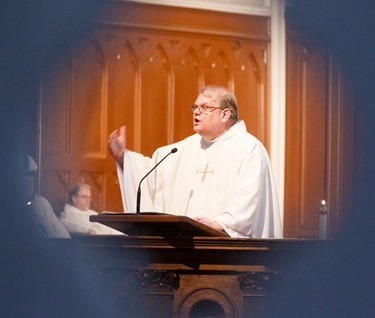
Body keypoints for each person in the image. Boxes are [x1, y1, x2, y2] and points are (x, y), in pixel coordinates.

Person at [108, 85, 283, 238]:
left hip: (230, 252)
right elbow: (152, 177)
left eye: (205, 107)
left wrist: (222, 223)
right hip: (185, 248)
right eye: (195, 107)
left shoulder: (249, 148)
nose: (197, 112)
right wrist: (124, 158)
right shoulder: (184, 148)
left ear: (225, 114)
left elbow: (251, 198)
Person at [18, 154, 71, 238]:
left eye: (30, 183)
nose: (27, 188)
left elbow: (64, 236)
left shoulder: (42, 203)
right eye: (23, 184)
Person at [59, 182, 123, 235]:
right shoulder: (67, 213)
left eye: (89, 197)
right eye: (84, 197)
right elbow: (66, 226)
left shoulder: (92, 213)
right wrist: (87, 230)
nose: (88, 200)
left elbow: (108, 228)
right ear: (74, 198)